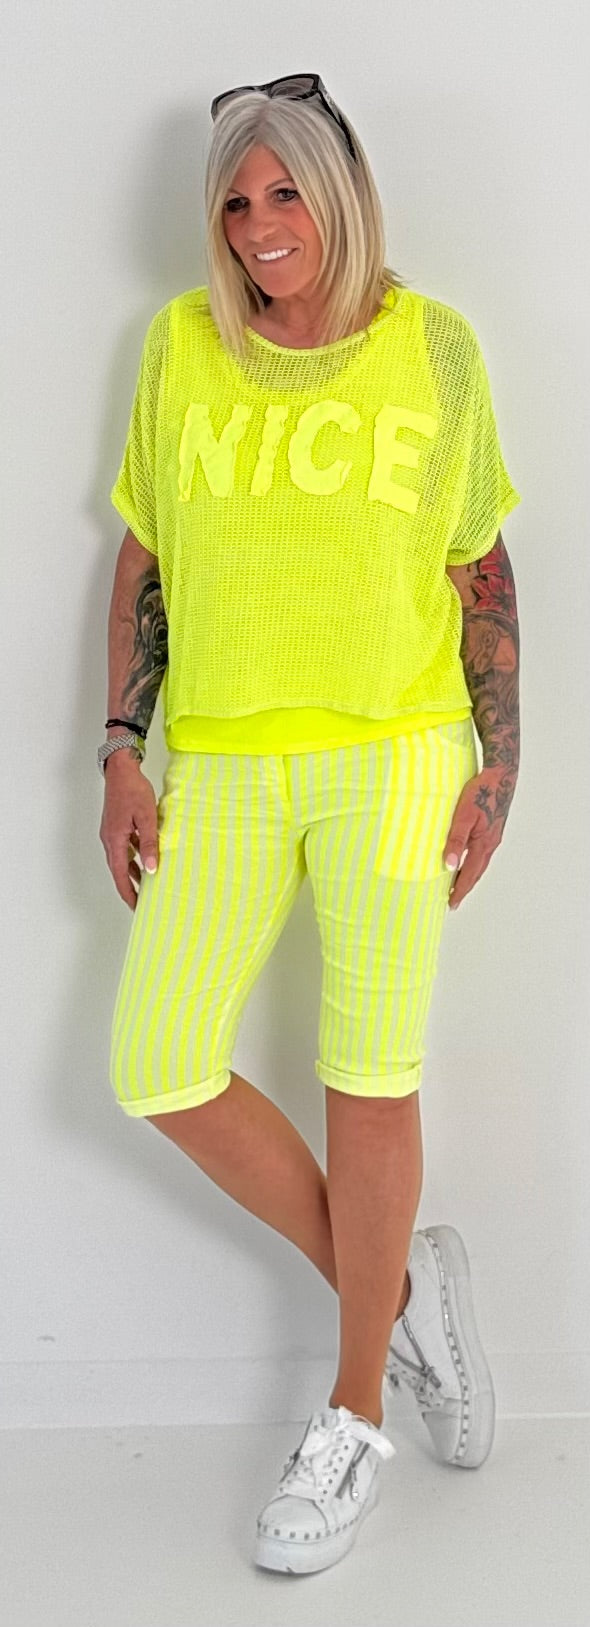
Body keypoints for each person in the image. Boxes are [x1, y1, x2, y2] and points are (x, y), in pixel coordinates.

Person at [98, 74, 522, 1577]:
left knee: (367, 1070)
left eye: (284, 192)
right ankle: (397, 1291)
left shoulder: (435, 346)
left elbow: (479, 565)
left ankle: (353, 1414)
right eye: (235, 200)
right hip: (218, 758)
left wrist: (499, 764)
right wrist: (120, 749)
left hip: (398, 752)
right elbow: (145, 559)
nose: (259, 225)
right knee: (157, 1061)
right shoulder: (180, 346)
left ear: (339, 195)